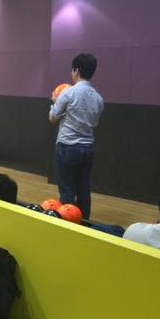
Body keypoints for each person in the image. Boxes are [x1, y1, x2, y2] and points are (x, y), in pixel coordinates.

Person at [49, 53, 104, 220]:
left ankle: (68, 223)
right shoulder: (98, 98)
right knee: (84, 189)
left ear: (76, 70)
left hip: (67, 146)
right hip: (88, 148)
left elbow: (52, 118)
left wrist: (55, 101)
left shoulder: (68, 93)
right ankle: (84, 222)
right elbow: (94, 122)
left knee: (67, 189)